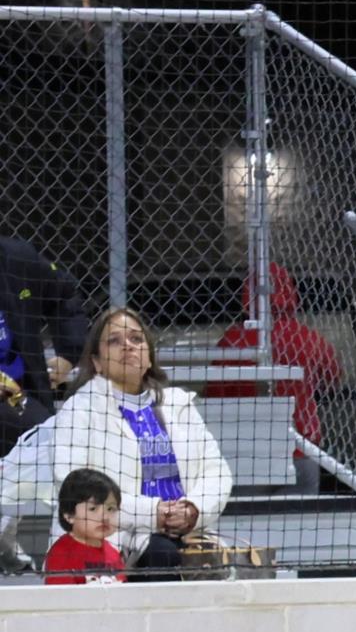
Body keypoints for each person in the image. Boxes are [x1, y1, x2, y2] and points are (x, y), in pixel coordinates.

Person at [48, 307, 233, 579]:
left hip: (187, 528)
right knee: (163, 554)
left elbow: (216, 470)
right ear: (97, 362)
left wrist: (193, 509)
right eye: (114, 340)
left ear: (148, 357)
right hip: (114, 533)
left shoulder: (179, 404)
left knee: (220, 564)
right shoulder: (79, 410)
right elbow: (72, 486)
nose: (128, 346)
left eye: (136, 339)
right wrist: (154, 513)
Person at [208, 263, 345, 492]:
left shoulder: (233, 340)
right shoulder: (308, 337)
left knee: (247, 520)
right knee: (301, 521)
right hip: (300, 446)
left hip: (249, 450)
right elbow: (333, 379)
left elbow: (214, 394)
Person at [0, 232, 88, 458]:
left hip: (20, 397)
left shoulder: (17, 259)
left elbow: (65, 295)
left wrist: (68, 354)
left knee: (60, 451)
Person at [42, 467, 126, 585]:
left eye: (110, 509)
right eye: (93, 509)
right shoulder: (61, 553)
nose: (104, 517)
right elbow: (59, 599)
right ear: (69, 515)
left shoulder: (114, 554)